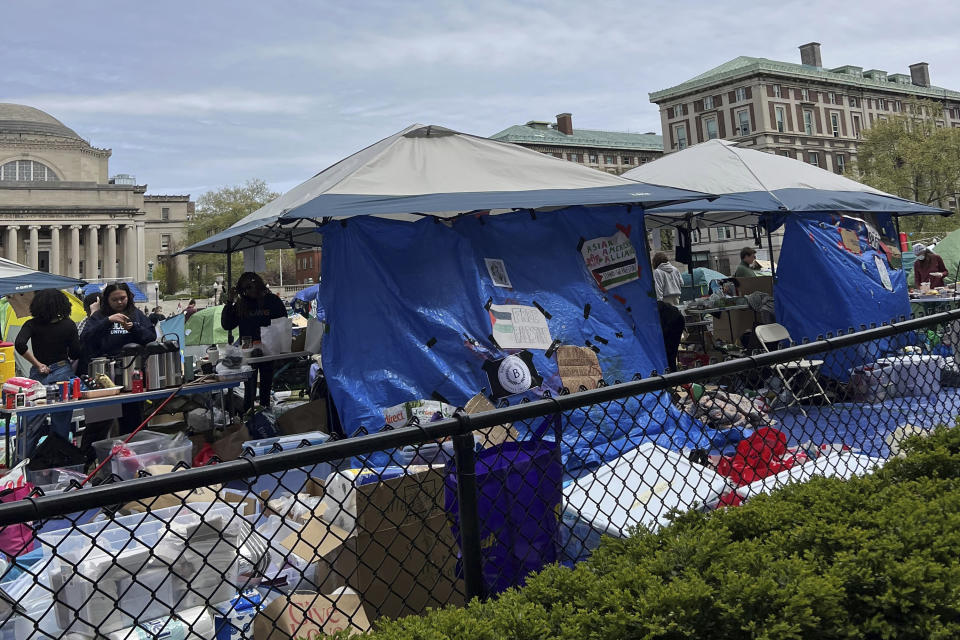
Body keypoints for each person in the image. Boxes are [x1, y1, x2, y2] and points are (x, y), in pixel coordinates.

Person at [79, 283, 157, 459]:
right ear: (107, 300)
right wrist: (108, 321)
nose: (120, 302)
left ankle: (135, 459)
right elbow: (85, 338)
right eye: (115, 300)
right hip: (104, 377)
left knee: (133, 421)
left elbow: (151, 336)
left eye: (123, 298)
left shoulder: (136, 315)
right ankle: (90, 461)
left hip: (132, 375)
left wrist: (134, 328)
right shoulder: (99, 316)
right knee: (98, 425)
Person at [15, 289, 82, 455]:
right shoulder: (68, 324)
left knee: (31, 422)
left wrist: (38, 364)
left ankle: (22, 465)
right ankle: (58, 463)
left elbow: (20, 344)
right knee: (61, 423)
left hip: (38, 376)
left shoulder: (31, 324)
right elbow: (75, 353)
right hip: (62, 373)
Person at [221, 272, 287, 412]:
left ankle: (265, 411)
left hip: (268, 349)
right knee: (249, 389)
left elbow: (283, 321)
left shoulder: (272, 301)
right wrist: (229, 302)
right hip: (248, 350)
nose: (250, 292)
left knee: (266, 385)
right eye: (246, 290)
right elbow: (227, 324)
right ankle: (248, 414)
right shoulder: (241, 304)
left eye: (252, 288)